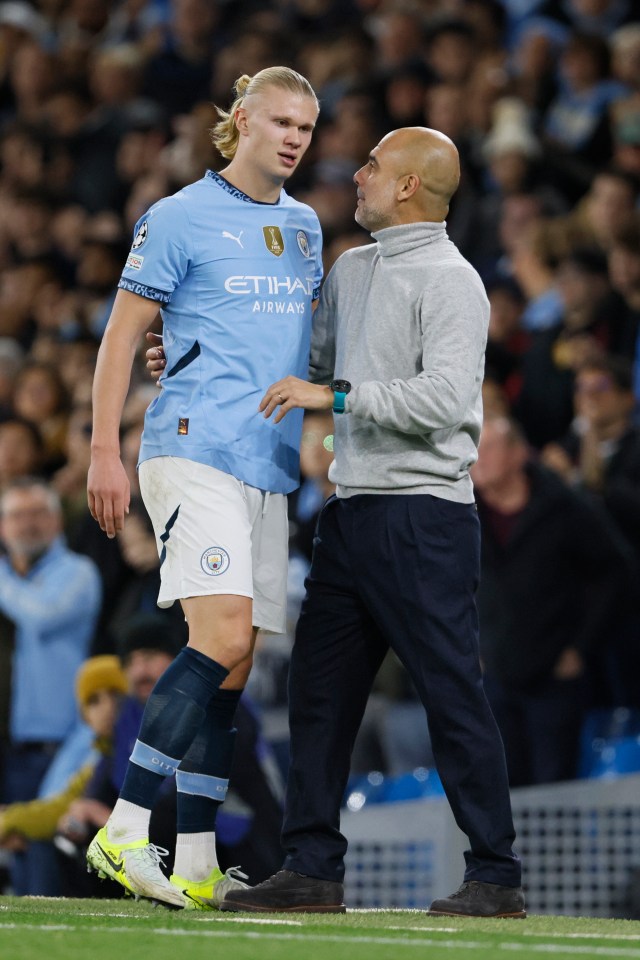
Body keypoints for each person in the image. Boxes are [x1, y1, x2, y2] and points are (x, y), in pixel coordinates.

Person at [219, 126, 526, 918]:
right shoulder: (352, 269)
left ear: (407, 189)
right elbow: (310, 367)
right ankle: (311, 869)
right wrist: (197, 358)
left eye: (371, 167)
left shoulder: (452, 280)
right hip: (351, 516)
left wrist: (341, 397)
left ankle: (496, 876)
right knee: (321, 699)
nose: (353, 176)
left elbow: (447, 401)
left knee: (452, 697)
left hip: (425, 515)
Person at [85, 66, 323, 910]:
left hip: (268, 464)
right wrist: (103, 451)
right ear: (243, 122)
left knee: (234, 664)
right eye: (282, 122)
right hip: (192, 446)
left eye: (307, 125)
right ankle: (123, 831)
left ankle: (190, 860)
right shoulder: (179, 215)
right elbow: (122, 340)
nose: (295, 137)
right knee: (219, 637)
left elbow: (269, 338)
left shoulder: (305, 229)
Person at [472, 414, 631, 786]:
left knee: (554, 794)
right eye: (473, 448)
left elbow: (615, 573)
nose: (477, 457)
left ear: (517, 454)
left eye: (489, 448)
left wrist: (581, 647)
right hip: (493, 678)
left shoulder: (563, 506)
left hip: (555, 680)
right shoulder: (462, 512)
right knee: (502, 792)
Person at [0, 476, 102, 895]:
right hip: (13, 748)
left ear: (58, 521)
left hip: (66, 745)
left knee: (47, 868)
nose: (28, 524)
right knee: (17, 858)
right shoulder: (12, 582)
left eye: (39, 513)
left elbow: (41, 614)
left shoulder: (78, 572)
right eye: (16, 515)